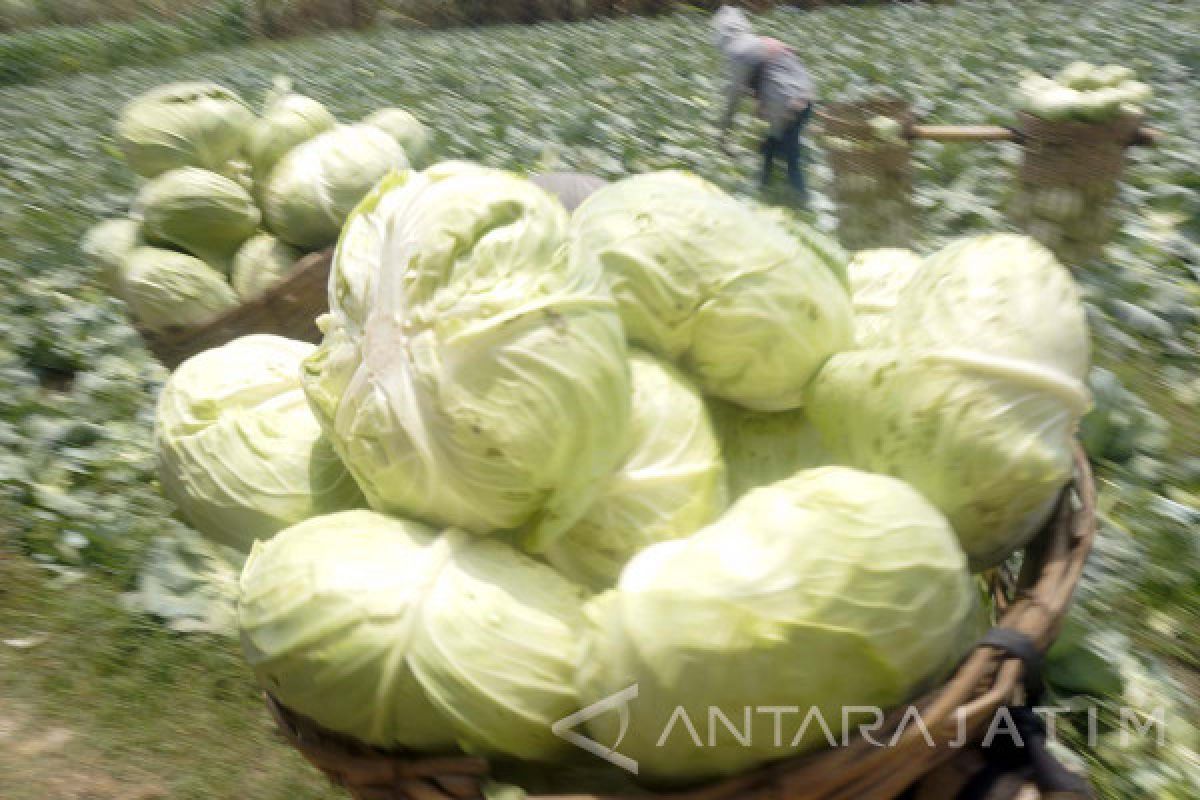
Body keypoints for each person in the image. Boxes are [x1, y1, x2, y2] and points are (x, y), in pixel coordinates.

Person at [712, 5, 815, 199]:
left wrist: (723, 135)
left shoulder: (738, 50)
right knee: (771, 149)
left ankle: (801, 202)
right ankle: (766, 191)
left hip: (787, 105)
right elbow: (779, 66)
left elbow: (734, 96)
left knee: (791, 160)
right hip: (805, 98)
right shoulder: (759, 41)